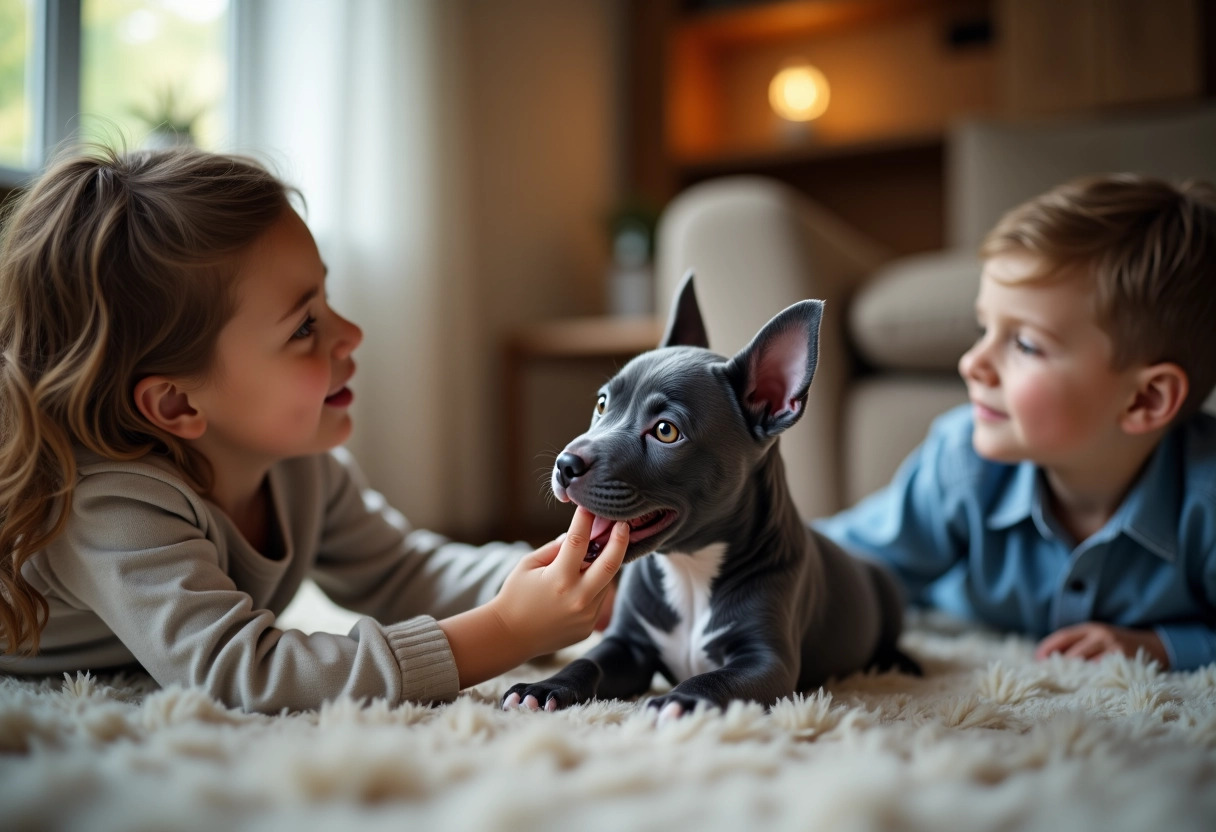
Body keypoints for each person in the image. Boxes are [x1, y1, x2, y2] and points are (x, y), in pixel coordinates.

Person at [0, 146, 629, 713]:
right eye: (304, 327)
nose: (349, 333)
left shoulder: (300, 465)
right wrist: (505, 633)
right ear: (173, 405)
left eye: (326, 300)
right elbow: (242, 672)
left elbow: (402, 572)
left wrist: (566, 581)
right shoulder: (106, 505)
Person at [814, 173, 1216, 671]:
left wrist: (1166, 647)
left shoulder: (1205, 497)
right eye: (985, 329)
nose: (972, 363)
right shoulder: (962, 460)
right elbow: (843, 561)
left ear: (1146, 400)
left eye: (1025, 343)